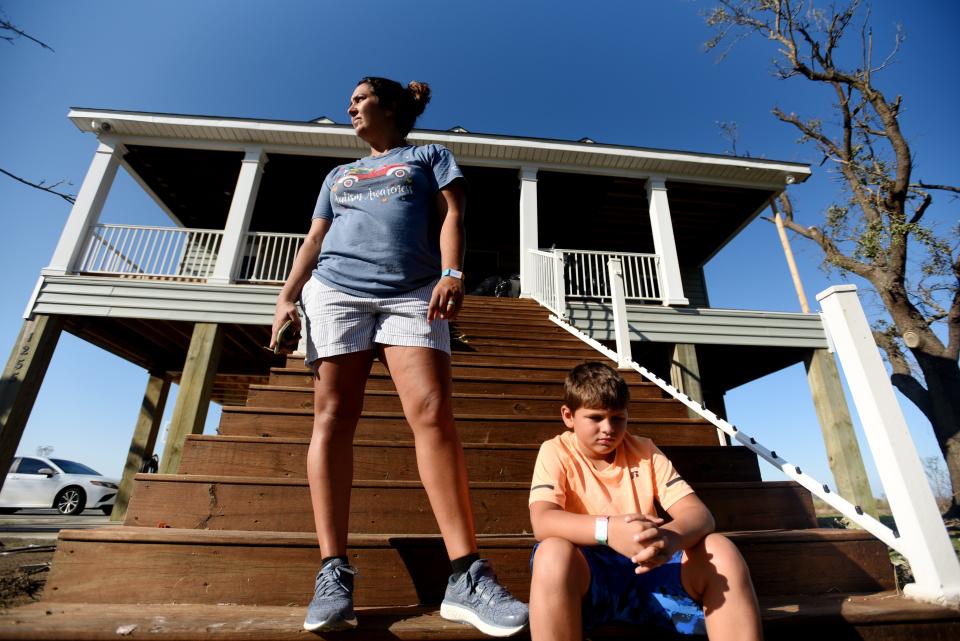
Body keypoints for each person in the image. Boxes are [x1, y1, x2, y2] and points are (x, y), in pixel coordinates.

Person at [270, 76, 528, 637]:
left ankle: (465, 576)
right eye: (351, 100)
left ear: (390, 106)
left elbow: (454, 214)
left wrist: (454, 272)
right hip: (335, 291)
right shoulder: (337, 175)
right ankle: (332, 571)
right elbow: (314, 239)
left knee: (433, 414)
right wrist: (288, 296)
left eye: (361, 99)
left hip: (412, 292)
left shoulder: (430, 155)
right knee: (333, 418)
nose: (350, 107)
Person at [527, 362, 762, 641]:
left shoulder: (645, 451)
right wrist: (608, 530)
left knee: (720, 549)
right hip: (592, 580)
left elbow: (699, 514)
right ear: (568, 416)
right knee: (551, 552)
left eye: (618, 418)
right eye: (595, 418)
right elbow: (542, 520)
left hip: (651, 569)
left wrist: (671, 538)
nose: (608, 429)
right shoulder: (555, 451)